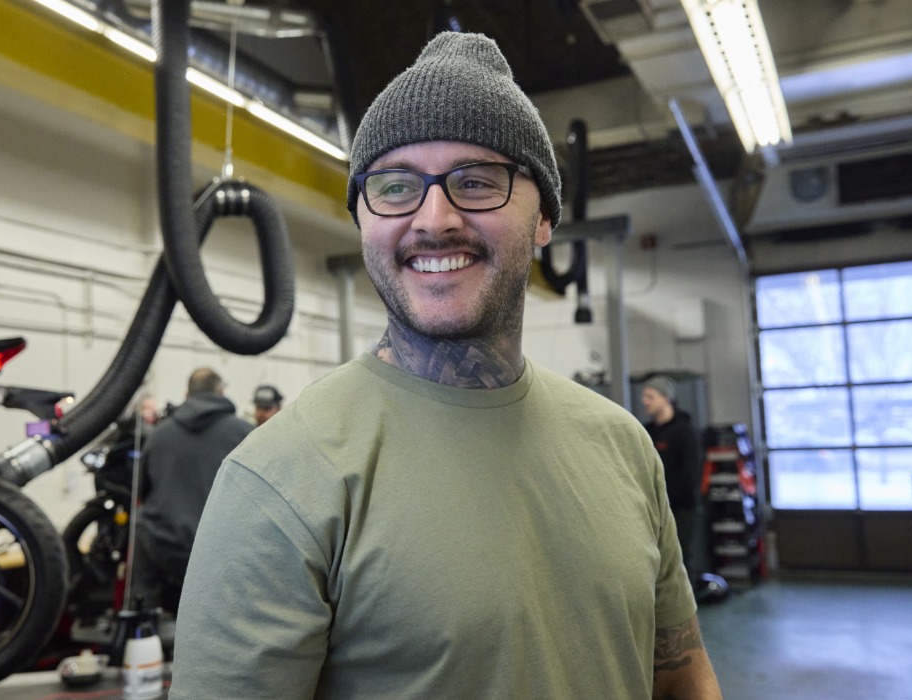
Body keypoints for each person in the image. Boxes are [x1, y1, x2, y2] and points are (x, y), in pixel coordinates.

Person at [170, 32, 721, 699]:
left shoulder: (624, 446)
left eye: (477, 181)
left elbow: (681, 673)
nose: (434, 219)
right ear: (362, 218)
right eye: (395, 186)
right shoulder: (282, 479)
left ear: (545, 215)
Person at [130, 368, 252, 615]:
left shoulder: (158, 435)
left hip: (165, 550)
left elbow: (140, 491)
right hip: (223, 555)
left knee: (141, 531)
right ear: (221, 392)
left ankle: (142, 630)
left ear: (187, 394)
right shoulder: (246, 434)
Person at [641, 375, 706, 591]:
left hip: (682, 510)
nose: (645, 401)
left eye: (650, 396)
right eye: (644, 396)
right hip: (653, 510)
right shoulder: (647, 432)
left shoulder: (685, 432)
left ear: (666, 398)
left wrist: (667, 500)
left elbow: (690, 477)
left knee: (681, 562)